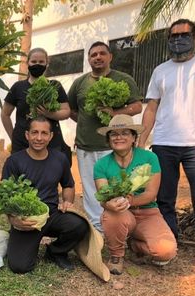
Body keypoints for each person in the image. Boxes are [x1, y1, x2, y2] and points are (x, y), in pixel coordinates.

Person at [139, 19, 195, 277]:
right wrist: (143, 139)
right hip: (164, 143)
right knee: (164, 198)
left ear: (194, 36)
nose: (178, 39)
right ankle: (169, 244)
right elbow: (152, 107)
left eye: (184, 34)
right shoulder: (160, 71)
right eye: (173, 36)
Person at [68, 42, 142, 232]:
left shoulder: (123, 79)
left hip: (115, 147)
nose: (97, 57)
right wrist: (85, 124)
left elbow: (136, 107)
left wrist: (114, 112)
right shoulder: (80, 83)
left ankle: (118, 225)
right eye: (93, 55)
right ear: (89, 59)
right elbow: (72, 110)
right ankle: (97, 229)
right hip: (86, 146)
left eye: (102, 53)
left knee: (118, 187)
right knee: (91, 190)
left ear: (110, 56)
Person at [1, 115, 89, 273]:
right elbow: (4, 196)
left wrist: (67, 202)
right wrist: (14, 219)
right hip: (27, 220)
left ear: (51, 136)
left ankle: (55, 251)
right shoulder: (14, 161)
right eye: (34, 132)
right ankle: (18, 238)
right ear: (27, 135)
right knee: (20, 267)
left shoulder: (59, 158)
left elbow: (68, 185)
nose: (39, 138)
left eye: (44, 133)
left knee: (79, 225)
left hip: (52, 214)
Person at [93, 114, 177, 275]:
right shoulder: (101, 164)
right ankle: (117, 255)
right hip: (120, 213)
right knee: (111, 216)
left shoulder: (149, 158)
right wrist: (108, 204)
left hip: (148, 213)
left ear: (133, 137)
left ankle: (134, 245)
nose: (119, 137)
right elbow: (103, 196)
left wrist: (129, 201)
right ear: (109, 139)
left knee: (165, 252)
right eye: (114, 134)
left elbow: (151, 194)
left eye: (125, 133)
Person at [0, 47, 72, 163]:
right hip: (22, 145)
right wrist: (13, 137)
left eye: (41, 62)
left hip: (51, 144)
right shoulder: (18, 87)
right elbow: (5, 114)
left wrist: (49, 114)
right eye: (33, 62)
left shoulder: (54, 86)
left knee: (49, 177)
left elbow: (66, 111)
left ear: (47, 64)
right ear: (28, 62)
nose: (37, 64)